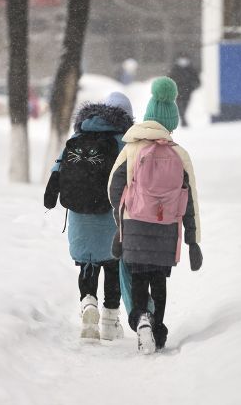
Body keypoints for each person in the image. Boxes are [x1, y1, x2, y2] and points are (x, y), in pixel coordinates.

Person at [108, 77, 202, 354]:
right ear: (171, 122)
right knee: (158, 280)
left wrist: (122, 218)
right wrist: (193, 240)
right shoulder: (179, 154)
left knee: (138, 279)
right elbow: (191, 200)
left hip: (135, 224)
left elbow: (114, 187)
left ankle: (141, 321)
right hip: (167, 228)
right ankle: (157, 331)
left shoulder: (131, 148)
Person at [44, 92, 135, 340]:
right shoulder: (125, 142)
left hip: (80, 214)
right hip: (112, 216)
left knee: (88, 263)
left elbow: (58, 169)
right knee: (113, 265)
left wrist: (50, 197)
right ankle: (109, 321)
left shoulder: (78, 136)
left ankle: (88, 305)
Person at [169, 55, 200, 127]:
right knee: (179, 105)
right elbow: (169, 79)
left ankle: (183, 118)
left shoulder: (191, 69)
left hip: (188, 91)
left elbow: (197, 81)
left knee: (185, 105)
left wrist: (193, 87)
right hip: (177, 91)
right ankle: (183, 119)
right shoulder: (174, 69)